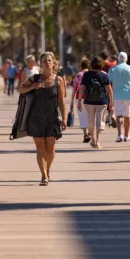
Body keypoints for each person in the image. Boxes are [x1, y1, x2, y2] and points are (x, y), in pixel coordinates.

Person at [18, 52, 67, 186]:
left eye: (49, 60)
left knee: (50, 149)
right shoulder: (35, 79)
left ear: (54, 63)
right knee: (40, 147)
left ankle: (48, 169)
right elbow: (19, 89)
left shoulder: (59, 80)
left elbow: (61, 101)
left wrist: (64, 118)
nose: (47, 63)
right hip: (36, 117)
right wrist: (31, 87)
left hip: (52, 118)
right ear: (40, 64)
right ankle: (44, 175)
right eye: (44, 61)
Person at [78, 57, 114, 149]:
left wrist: (79, 101)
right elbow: (109, 89)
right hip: (102, 101)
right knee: (100, 121)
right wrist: (111, 101)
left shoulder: (86, 75)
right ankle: (97, 141)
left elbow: (82, 88)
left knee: (90, 121)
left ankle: (93, 140)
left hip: (89, 101)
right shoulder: (104, 75)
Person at [108, 52, 130, 142]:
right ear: (126, 59)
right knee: (127, 116)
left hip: (116, 95)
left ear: (118, 59)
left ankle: (120, 135)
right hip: (129, 95)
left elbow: (109, 83)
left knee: (119, 115)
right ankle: (127, 135)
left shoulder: (113, 69)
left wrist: (109, 97)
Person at [70, 58, 91, 144]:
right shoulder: (91, 74)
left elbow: (74, 89)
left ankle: (85, 134)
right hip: (90, 97)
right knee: (90, 116)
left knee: (82, 116)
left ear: (81, 66)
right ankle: (90, 133)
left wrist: (71, 100)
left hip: (80, 97)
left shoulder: (78, 75)